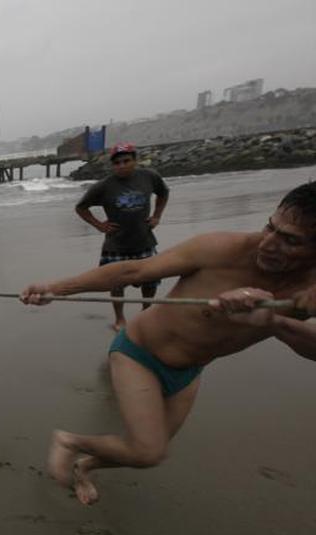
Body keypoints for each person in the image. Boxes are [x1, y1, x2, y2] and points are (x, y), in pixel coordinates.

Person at [21, 181, 316, 505]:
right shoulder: (221, 248)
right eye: (270, 227)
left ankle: (84, 466)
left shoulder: (309, 292)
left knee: (143, 452)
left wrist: (275, 321)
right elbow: (136, 270)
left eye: (290, 241)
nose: (269, 244)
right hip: (139, 353)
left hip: (189, 371)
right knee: (148, 451)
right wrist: (56, 288)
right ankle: (69, 441)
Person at [75, 142, 170, 330]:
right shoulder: (103, 186)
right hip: (116, 245)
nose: (122, 165)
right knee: (116, 284)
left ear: (135, 160)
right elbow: (81, 207)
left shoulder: (149, 177)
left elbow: (163, 193)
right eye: (117, 163)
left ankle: (146, 313)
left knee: (150, 282)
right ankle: (120, 319)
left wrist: (157, 216)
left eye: (126, 161)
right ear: (112, 165)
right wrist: (100, 225)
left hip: (144, 240)